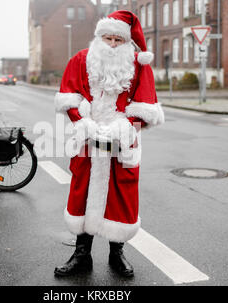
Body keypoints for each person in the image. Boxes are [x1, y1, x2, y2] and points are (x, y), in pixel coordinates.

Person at [54, 10, 164, 277]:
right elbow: (69, 97)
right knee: (82, 190)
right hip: (87, 138)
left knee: (122, 193)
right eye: (108, 38)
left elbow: (145, 107)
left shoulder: (139, 65)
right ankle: (81, 254)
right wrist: (82, 123)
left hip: (122, 138)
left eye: (118, 39)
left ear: (127, 42)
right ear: (99, 37)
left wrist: (124, 128)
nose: (113, 44)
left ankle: (117, 252)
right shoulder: (80, 59)